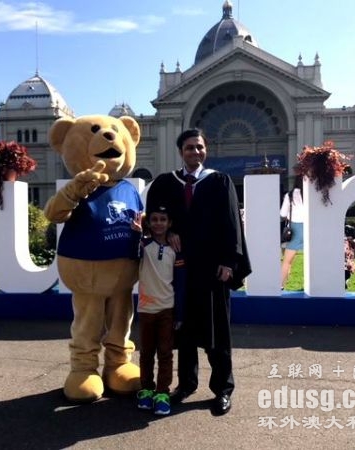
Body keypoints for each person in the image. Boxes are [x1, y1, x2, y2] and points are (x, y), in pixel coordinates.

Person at [145, 128, 251, 416]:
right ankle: (186, 384)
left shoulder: (219, 181)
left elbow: (232, 223)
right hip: (179, 270)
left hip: (213, 269)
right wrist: (168, 232)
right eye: (190, 147)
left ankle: (223, 389)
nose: (195, 151)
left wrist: (229, 261)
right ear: (181, 151)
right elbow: (154, 218)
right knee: (185, 330)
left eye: (200, 147)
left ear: (206, 150)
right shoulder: (166, 183)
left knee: (218, 331)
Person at [131, 206, 185, 416]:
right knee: (146, 353)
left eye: (163, 219)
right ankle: (146, 389)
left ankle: (162, 393)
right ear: (148, 222)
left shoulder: (176, 249)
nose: (159, 223)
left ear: (169, 223)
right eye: (154, 219)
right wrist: (136, 234)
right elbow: (132, 254)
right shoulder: (143, 245)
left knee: (165, 353)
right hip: (146, 309)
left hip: (167, 310)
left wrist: (179, 314)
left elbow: (180, 284)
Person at [280, 175, 304, 290]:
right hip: (311, 228)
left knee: (287, 261)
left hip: (295, 229)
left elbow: (283, 214)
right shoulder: (312, 194)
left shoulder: (289, 195)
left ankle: (281, 284)